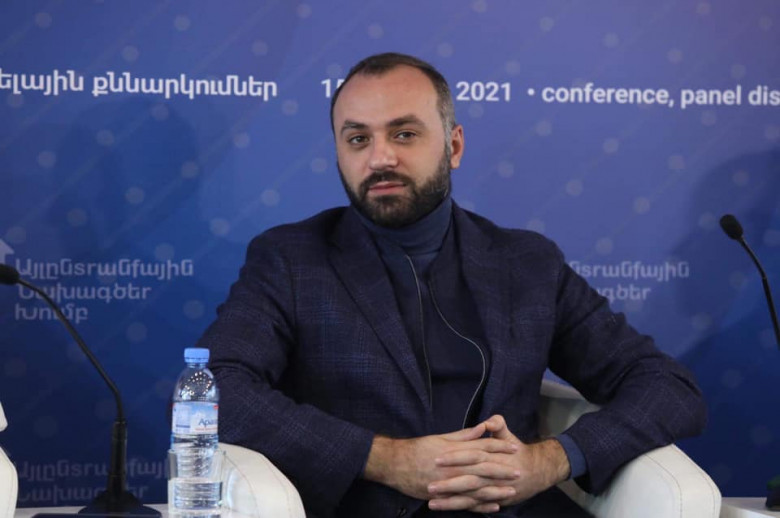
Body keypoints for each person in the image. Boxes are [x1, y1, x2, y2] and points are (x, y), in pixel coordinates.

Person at [202, 52, 706, 517]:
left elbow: (666, 385)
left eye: (404, 134)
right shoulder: (292, 259)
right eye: (358, 139)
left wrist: (552, 459)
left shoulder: (528, 263)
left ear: (454, 145)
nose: (380, 158)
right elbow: (212, 389)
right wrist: (384, 459)